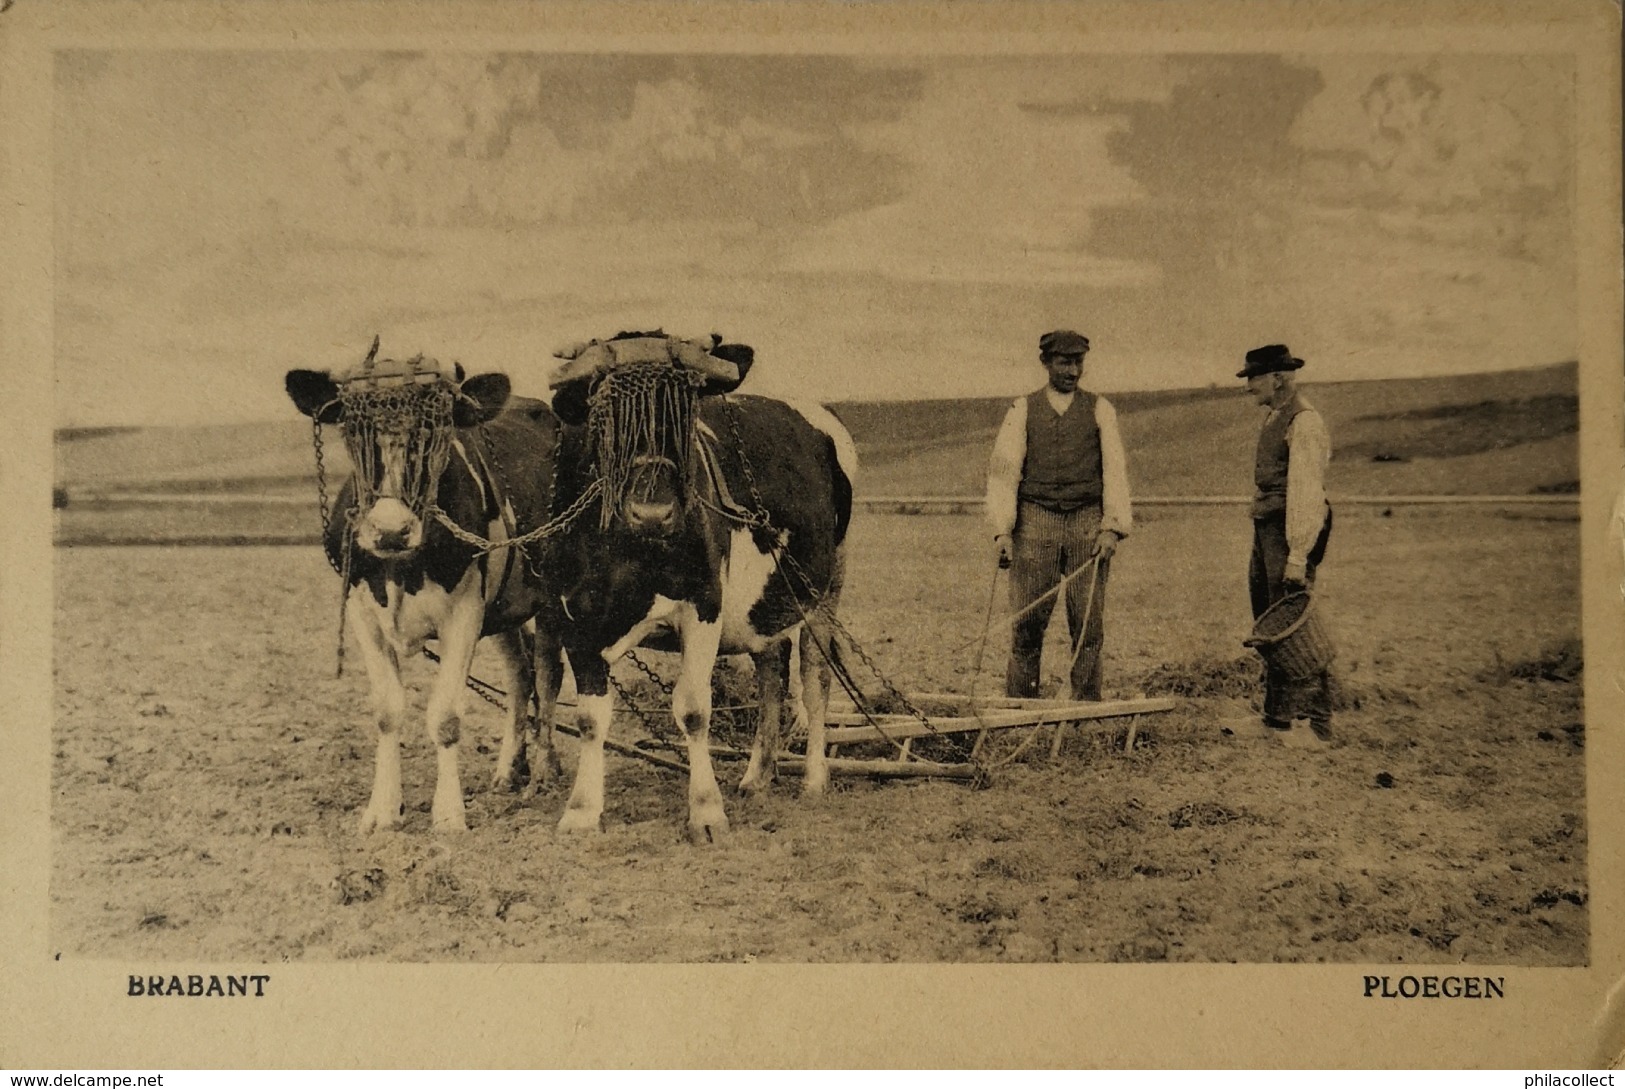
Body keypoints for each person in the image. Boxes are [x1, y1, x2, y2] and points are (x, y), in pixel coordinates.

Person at [986, 329, 1132, 700]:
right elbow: (1004, 472)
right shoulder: (1022, 409)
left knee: (1087, 624)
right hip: (1036, 523)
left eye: (1078, 362)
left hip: (1087, 523)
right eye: (1064, 362)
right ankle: (1020, 707)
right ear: (1046, 363)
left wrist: (1111, 528)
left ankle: (1085, 709)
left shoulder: (1100, 409)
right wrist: (1003, 531)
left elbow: (1115, 470)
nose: (1072, 370)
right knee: (1027, 625)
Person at [1239, 343, 1335, 741]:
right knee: (1271, 623)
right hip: (1267, 530)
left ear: (1278, 379)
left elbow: (1306, 493)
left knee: (1296, 628)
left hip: (1287, 532)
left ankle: (1316, 723)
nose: (1249, 387)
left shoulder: (1304, 422)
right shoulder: (1274, 417)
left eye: (1255, 378)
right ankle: (1276, 719)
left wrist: (1297, 555)